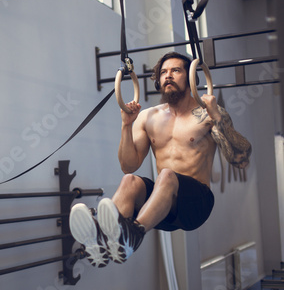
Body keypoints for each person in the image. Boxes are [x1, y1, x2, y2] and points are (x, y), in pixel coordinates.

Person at [69, 52, 252, 267]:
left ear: (192, 78)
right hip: (161, 208)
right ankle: (104, 241)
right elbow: (128, 165)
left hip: (196, 205)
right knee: (130, 181)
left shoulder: (207, 114)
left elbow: (241, 159)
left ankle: (133, 235)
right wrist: (127, 125)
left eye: (176, 70)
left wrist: (218, 119)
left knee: (166, 175)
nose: (168, 76)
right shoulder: (148, 116)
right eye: (164, 72)